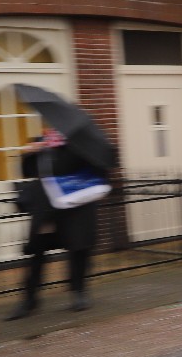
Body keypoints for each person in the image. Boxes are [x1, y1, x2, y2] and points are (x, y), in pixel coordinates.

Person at [7, 126, 116, 320]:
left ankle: (78, 292)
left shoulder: (82, 145)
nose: (53, 128)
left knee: (78, 250)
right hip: (47, 210)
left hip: (76, 209)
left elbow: (99, 171)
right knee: (37, 251)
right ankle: (30, 300)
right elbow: (28, 172)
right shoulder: (42, 142)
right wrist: (29, 154)